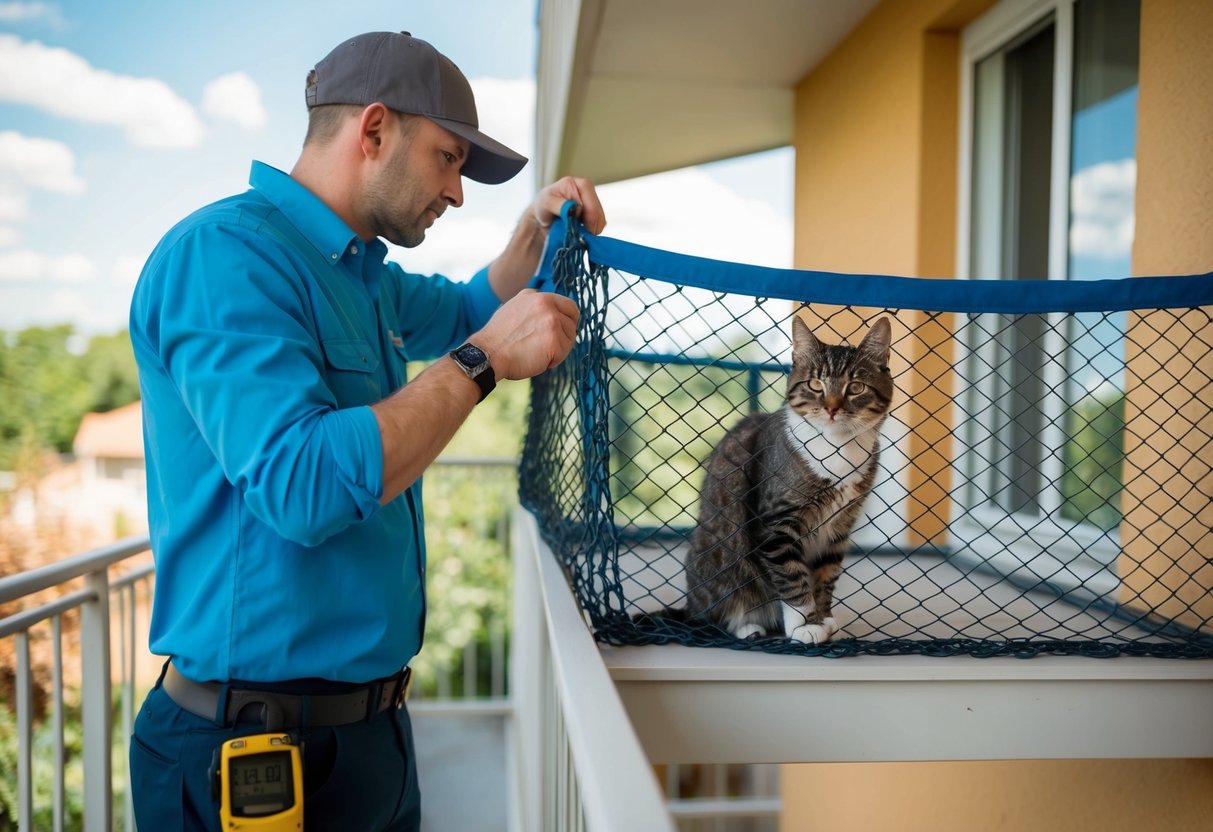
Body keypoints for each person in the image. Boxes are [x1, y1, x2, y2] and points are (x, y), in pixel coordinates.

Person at [128, 30, 605, 831]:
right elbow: (303, 485)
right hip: (249, 758)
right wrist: (482, 362)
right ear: (374, 130)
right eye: (448, 158)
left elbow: (464, 309)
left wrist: (532, 231)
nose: (456, 192)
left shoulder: (363, 275)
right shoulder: (224, 258)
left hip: (373, 739)